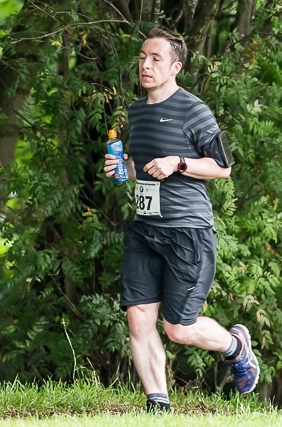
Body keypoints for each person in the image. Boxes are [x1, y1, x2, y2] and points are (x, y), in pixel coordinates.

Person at [104, 28, 259, 413]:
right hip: (145, 228)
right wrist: (123, 167)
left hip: (186, 232)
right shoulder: (137, 111)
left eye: (155, 59)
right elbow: (143, 169)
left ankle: (236, 346)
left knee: (178, 329)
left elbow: (223, 168)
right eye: (142, 57)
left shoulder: (194, 110)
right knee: (138, 317)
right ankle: (158, 405)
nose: (145, 64)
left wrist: (181, 162)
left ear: (175, 67)